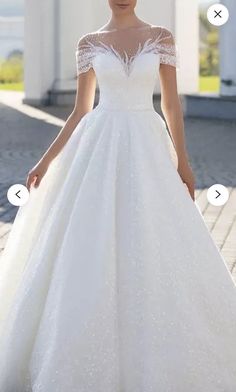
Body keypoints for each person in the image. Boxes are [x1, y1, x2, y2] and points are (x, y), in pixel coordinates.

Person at [0, 1, 236, 391]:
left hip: (148, 143)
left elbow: (173, 104)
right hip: (100, 144)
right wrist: (44, 161)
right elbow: (79, 111)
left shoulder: (161, 37)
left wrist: (184, 162)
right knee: (89, 239)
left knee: (155, 235)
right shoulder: (89, 42)